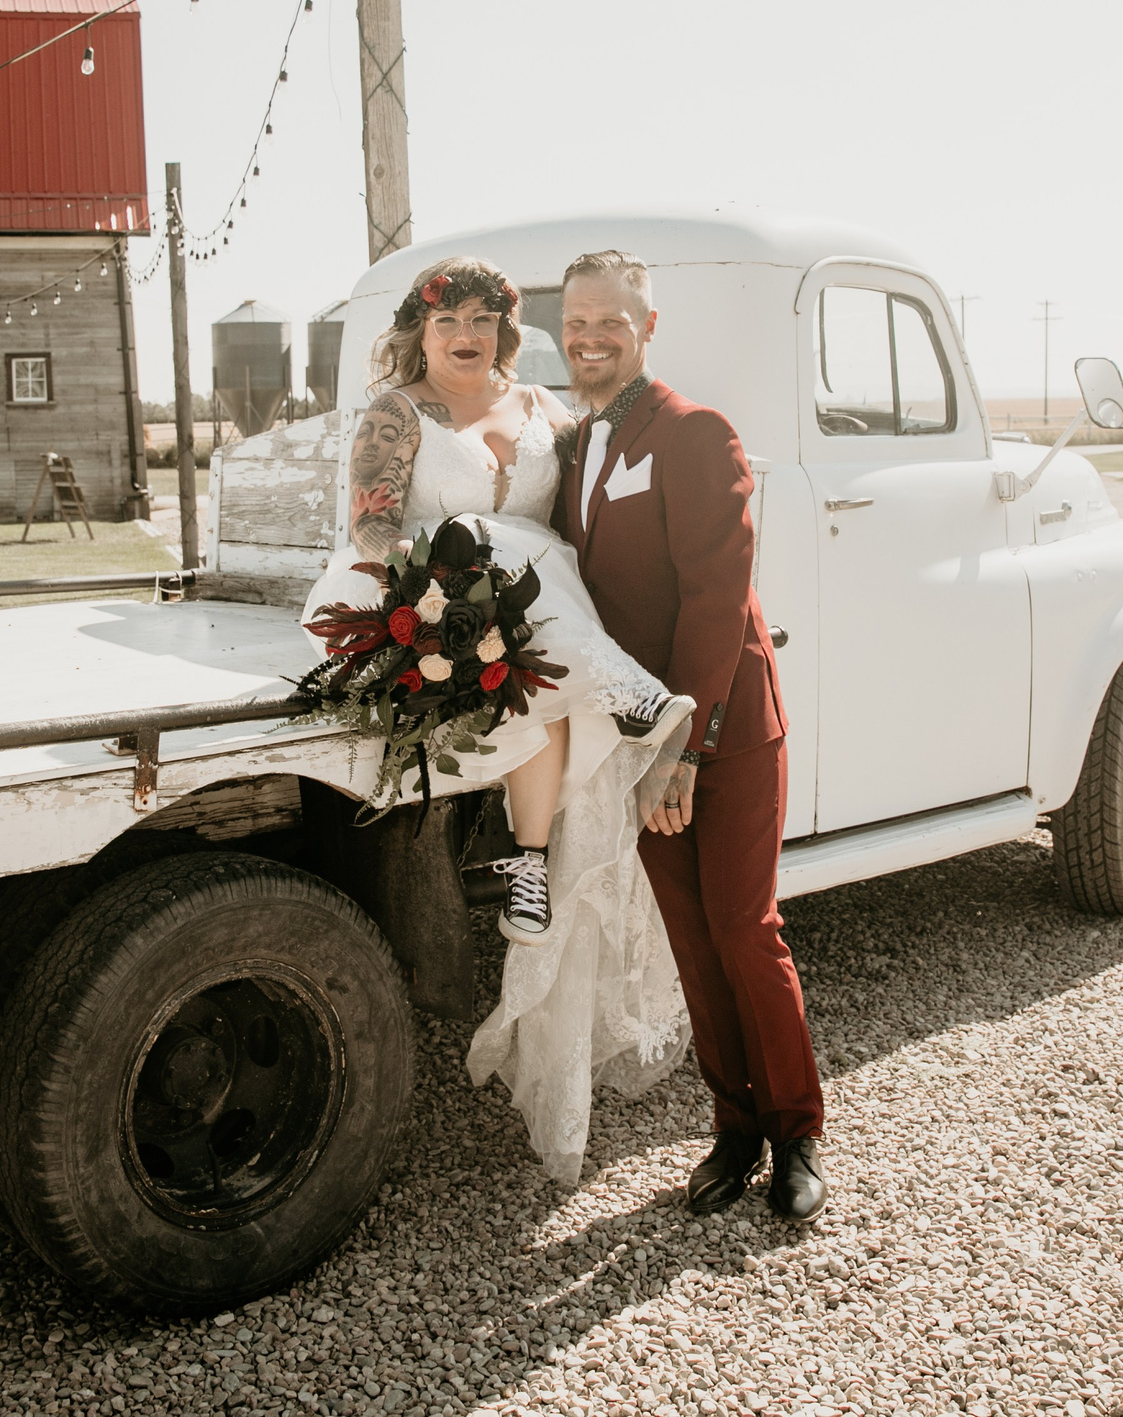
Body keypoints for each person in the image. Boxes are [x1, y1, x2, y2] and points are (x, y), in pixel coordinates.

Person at [303, 256, 693, 1181]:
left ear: (505, 332)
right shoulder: (399, 412)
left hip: (525, 621)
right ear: (421, 332)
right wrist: (449, 596)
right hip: (419, 600)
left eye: (483, 318)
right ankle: (627, 697)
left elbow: (596, 500)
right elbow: (373, 526)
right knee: (485, 546)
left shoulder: (545, 412)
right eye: (449, 322)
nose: (465, 334)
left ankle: (527, 863)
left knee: (533, 606)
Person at [554, 249, 829, 1223]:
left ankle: (797, 1131)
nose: (590, 336)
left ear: (647, 328)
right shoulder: (575, 447)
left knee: (744, 932)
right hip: (639, 740)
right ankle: (734, 1128)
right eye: (576, 320)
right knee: (692, 942)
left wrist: (683, 748)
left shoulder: (696, 433)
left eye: (610, 321)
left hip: (726, 728)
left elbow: (716, 604)